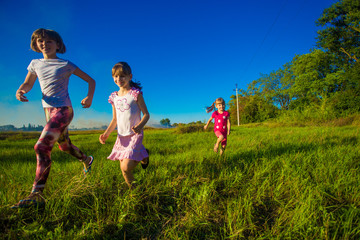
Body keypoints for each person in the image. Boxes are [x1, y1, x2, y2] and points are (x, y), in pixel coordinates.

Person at [11, 28, 96, 208]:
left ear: (58, 45)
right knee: (64, 146)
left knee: (42, 146)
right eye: (40, 41)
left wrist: (89, 97)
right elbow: (28, 83)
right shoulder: (35, 63)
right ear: (36, 44)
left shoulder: (66, 64)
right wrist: (21, 91)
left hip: (64, 110)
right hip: (49, 112)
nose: (44, 44)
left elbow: (91, 80)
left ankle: (37, 194)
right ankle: (87, 160)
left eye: (49, 41)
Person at [99, 62, 149, 189]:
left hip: (134, 135)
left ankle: (143, 155)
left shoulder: (135, 94)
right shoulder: (114, 97)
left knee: (125, 167)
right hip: (121, 137)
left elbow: (146, 114)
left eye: (122, 76)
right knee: (124, 171)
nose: (118, 79)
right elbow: (115, 119)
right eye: (115, 76)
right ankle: (136, 192)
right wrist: (106, 134)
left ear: (130, 77)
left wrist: (139, 126)